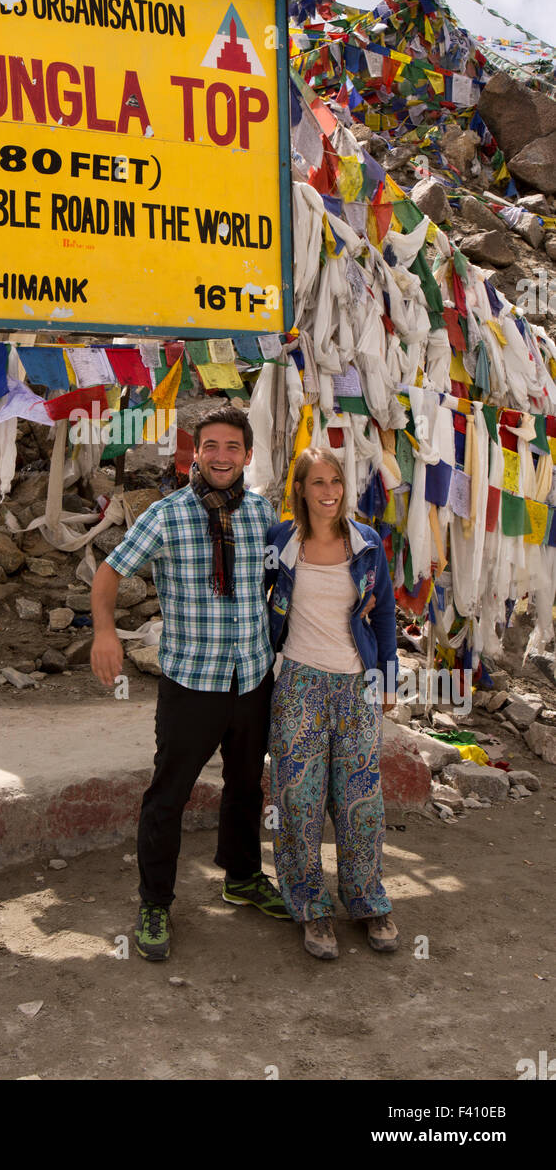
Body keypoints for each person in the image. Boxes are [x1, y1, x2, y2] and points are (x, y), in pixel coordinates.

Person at [91, 407, 290, 961]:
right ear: (194, 454)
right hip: (191, 682)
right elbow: (109, 573)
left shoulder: (260, 513)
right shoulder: (166, 515)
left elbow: (275, 585)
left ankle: (243, 878)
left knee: (247, 785)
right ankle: (155, 901)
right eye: (211, 446)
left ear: (248, 455)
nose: (221, 456)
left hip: (251, 676)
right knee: (168, 794)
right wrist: (104, 633)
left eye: (232, 447)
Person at [264, 446, 399, 961]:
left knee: (361, 796)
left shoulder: (366, 545)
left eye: (335, 481)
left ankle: (367, 901)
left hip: (356, 685)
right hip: (297, 682)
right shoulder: (282, 542)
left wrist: (387, 679)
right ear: (300, 490)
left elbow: (384, 612)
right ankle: (310, 908)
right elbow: (258, 596)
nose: (328, 492)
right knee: (297, 798)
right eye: (317, 482)